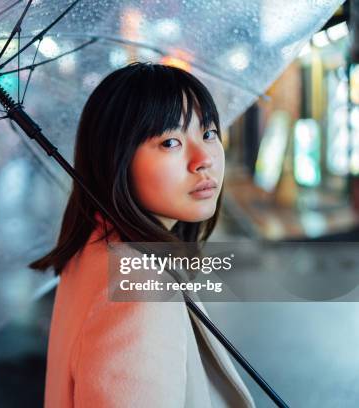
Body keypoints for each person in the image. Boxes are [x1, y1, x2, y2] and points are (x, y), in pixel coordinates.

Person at [29, 62, 256, 407]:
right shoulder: (138, 289)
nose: (203, 159)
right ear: (117, 157)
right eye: (170, 142)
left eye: (208, 133)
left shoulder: (96, 245)